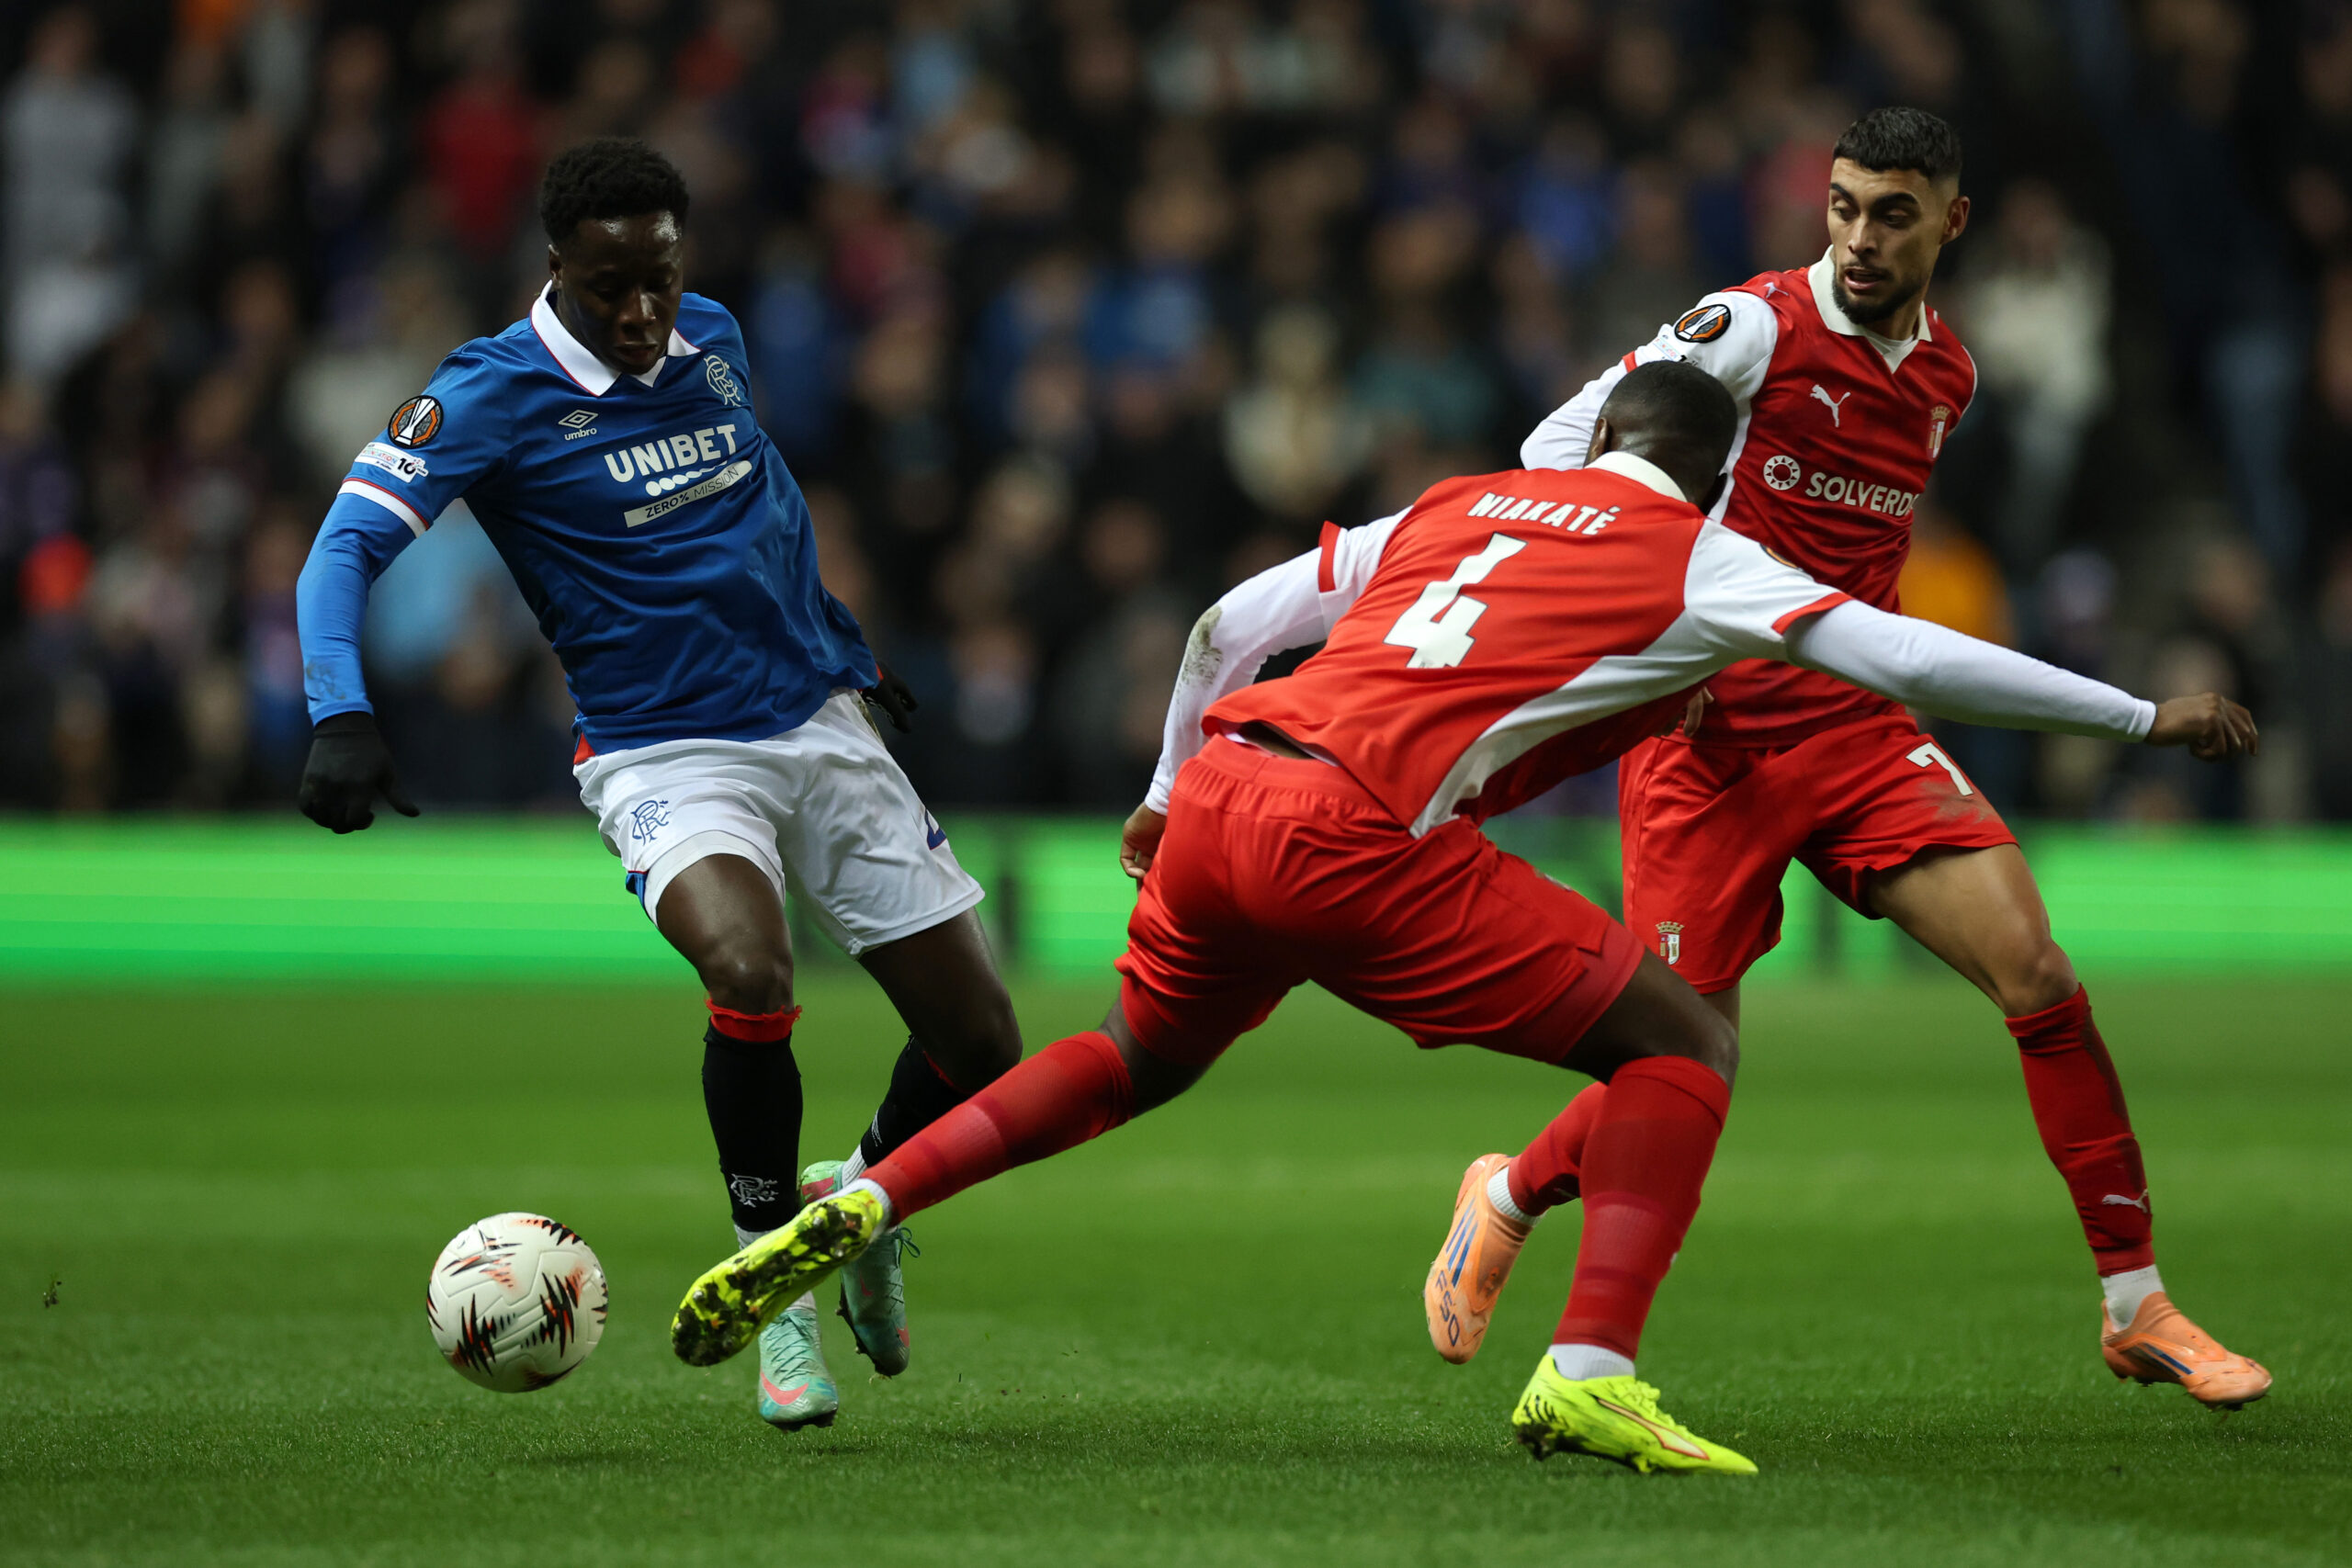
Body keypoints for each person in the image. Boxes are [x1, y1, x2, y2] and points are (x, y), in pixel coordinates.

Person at [662, 360, 2255, 1475]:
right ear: (1706, 468)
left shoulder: (1457, 501)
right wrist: (2132, 717)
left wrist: (1159, 785)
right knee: (1684, 1044)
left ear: (1599, 431)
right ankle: (1592, 1373)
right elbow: (1911, 661)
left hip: (1225, 790)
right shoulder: (1701, 556)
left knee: (1131, 1056)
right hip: (1358, 835)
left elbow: (1228, 620)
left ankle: (867, 1202)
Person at [1501, 106, 2269, 1411]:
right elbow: (1551, 452)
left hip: (1854, 730)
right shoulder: (1747, 327)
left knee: (2034, 968)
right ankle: (1510, 1188)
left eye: (1892, 212)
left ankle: (2137, 1304)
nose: (1860, 237)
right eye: (1845, 206)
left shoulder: (1948, 378)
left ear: (1950, 222)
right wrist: (1653, 594)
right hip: (1707, 746)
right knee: (1685, 1065)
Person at [292, 140, 1022, 1433]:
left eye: (663, 281)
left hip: (821, 721)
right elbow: (344, 545)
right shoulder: (489, 394)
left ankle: (851, 1205)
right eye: (611, 288)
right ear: (556, 268)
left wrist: (842, 641)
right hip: (665, 750)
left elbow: (759, 498)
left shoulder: (715, 339)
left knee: (982, 1047)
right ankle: (775, 1295)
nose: (641, 313)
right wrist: (340, 710)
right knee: (749, 970)